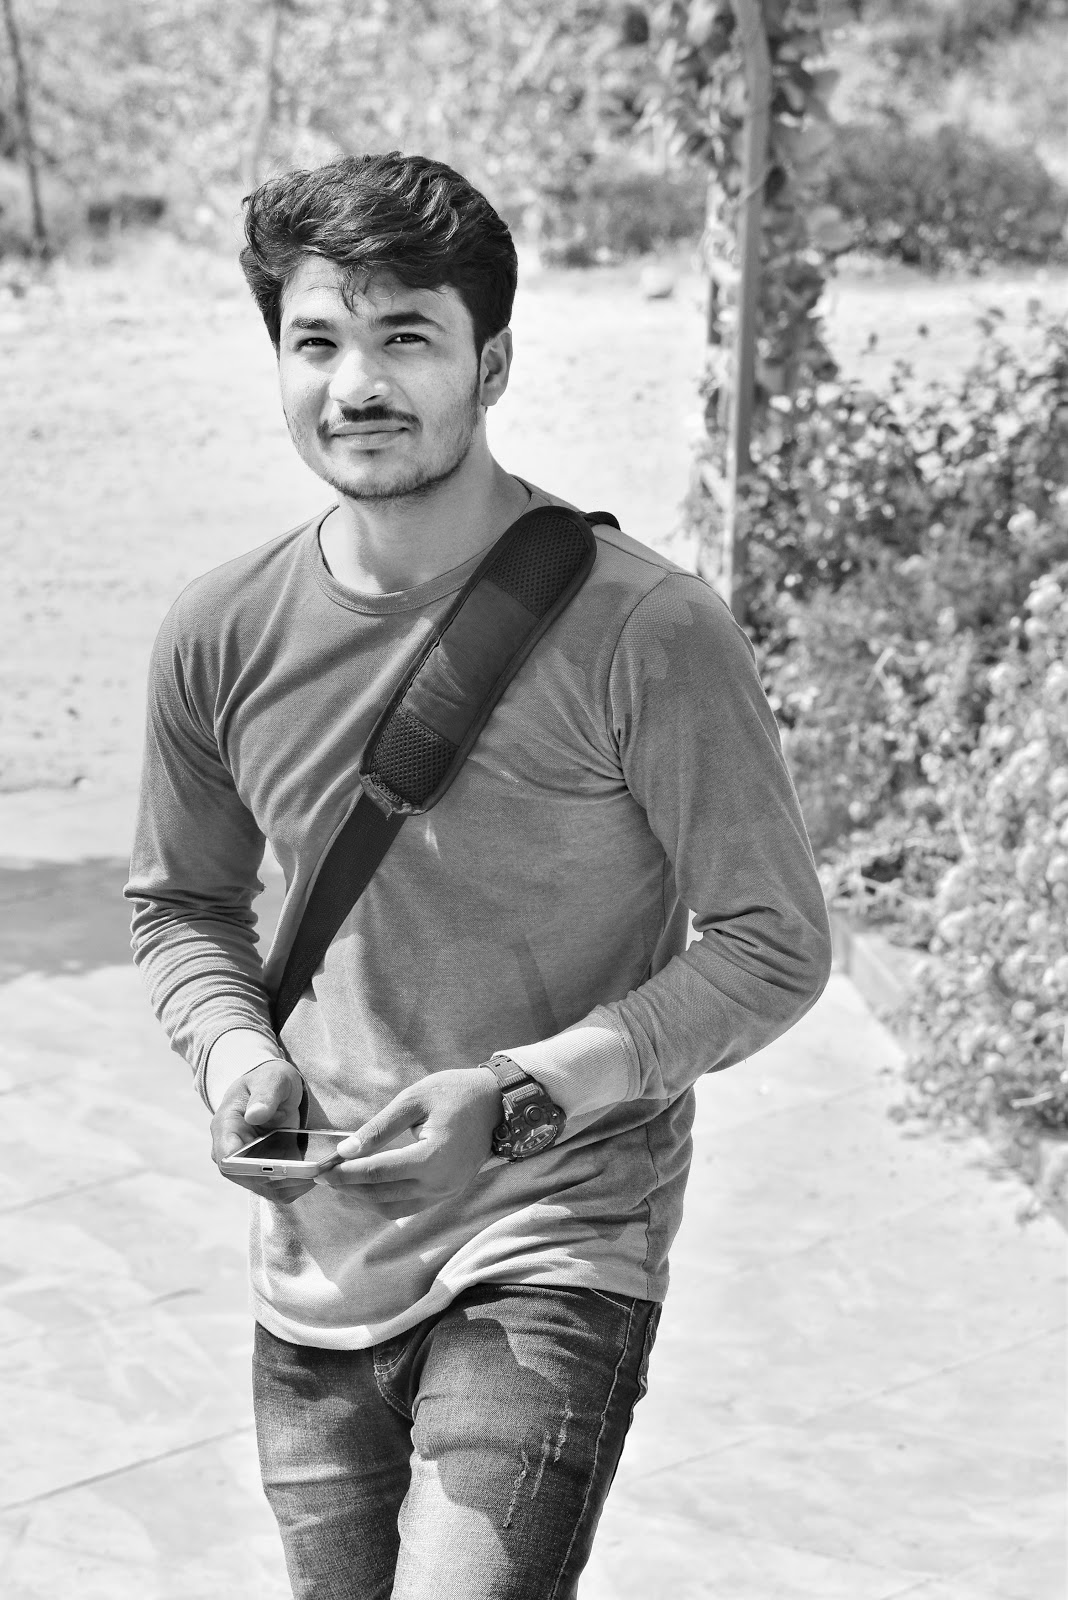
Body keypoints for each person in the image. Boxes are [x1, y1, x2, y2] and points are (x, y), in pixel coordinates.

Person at [126, 151, 832, 1600]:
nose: (358, 384)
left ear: (490, 363)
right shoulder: (219, 632)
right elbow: (185, 904)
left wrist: (524, 1096)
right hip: (318, 1251)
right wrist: (237, 1059)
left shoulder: (649, 632)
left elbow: (773, 941)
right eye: (317, 341)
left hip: (557, 1232)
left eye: (407, 337)